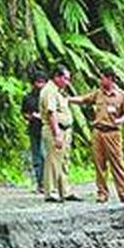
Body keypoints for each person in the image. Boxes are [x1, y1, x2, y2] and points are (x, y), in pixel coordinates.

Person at [70, 67, 124, 204]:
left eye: (102, 78)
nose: (100, 80)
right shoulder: (98, 94)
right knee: (99, 164)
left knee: (117, 164)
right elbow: (83, 99)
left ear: (110, 78)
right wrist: (68, 99)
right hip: (98, 132)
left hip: (113, 132)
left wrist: (119, 120)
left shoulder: (122, 95)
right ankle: (102, 193)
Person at [39, 65, 80, 203]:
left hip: (65, 130)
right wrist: (56, 133)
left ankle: (65, 191)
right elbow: (51, 113)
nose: (67, 82)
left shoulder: (59, 91)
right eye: (65, 78)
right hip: (55, 130)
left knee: (63, 161)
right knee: (53, 161)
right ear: (57, 77)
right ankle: (50, 192)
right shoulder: (49, 90)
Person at [21, 70, 47, 193]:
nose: (40, 85)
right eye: (38, 82)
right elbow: (24, 112)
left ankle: (46, 182)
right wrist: (30, 116)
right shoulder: (28, 98)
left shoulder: (48, 97)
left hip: (46, 129)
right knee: (37, 157)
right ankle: (39, 183)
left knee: (45, 155)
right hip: (34, 129)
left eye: (42, 82)